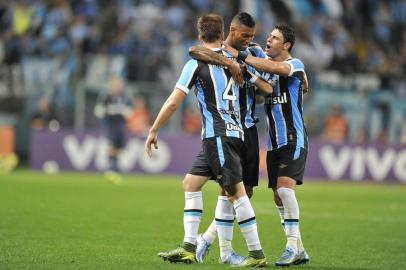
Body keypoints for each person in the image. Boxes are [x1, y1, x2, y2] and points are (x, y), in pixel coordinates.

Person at [145, 14, 271, 267]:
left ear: (201, 35)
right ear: (223, 33)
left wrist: (154, 129)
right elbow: (260, 90)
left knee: (236, 194)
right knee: (191, 183)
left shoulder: (196, 64)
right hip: (232, 133)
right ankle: (189, 246)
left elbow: (173, 102)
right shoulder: (232, 61)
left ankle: (257, 255)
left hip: (220, 135)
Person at [222, 24, 310, 266]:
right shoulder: (268, 73)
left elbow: (275, 67)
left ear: (287, 45)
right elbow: (263, 92)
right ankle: (299, 248)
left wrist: (241, 55)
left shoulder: (295, 64)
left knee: (284, 190)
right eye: (269, 36)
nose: (268, 40)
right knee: (278, 197)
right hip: (272, 143)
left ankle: (292, 247)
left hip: (293, 138)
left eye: (275, 37)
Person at [188, 12, 268, 264]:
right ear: (230, 32)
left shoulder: (253, 51)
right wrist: (229, 63)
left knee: (246, 192)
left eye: (251, 36)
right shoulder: (218, 50)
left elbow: (267, 87)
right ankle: (224, 250)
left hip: (249, 129)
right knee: (232, 190)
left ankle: (206, 240)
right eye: (244, 36)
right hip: (228, 129)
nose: (248, 40)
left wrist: (245, 65)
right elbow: (194, 50)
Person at [94, 75, 133, 183]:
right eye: (114, 83)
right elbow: (98, 110)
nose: (116, 86)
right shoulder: (106, 96)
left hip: (120, 124)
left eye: (118, 83)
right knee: (111, 145)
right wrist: (109, 111)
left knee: (117, 147)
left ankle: (114, 168)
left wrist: (124, 112)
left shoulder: (124, 96)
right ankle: (111, 169)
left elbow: (129, 111)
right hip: (109, 123)